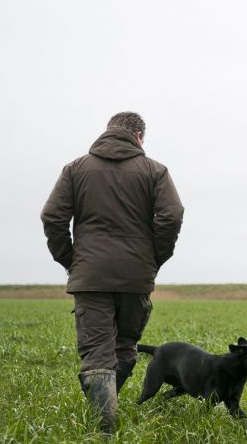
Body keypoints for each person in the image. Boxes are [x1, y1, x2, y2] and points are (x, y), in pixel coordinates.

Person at [40, 112, 184, 433]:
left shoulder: (75, 169)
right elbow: (171, 216)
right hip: (136, 275)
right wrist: (153, 258)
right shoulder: (155, 171)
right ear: (139, 137)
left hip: (89, 276)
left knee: (97, 352)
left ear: (108, 132)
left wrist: (72, 261)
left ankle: (102, 427)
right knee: (124, 347)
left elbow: (52, 217)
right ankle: (105, 423)